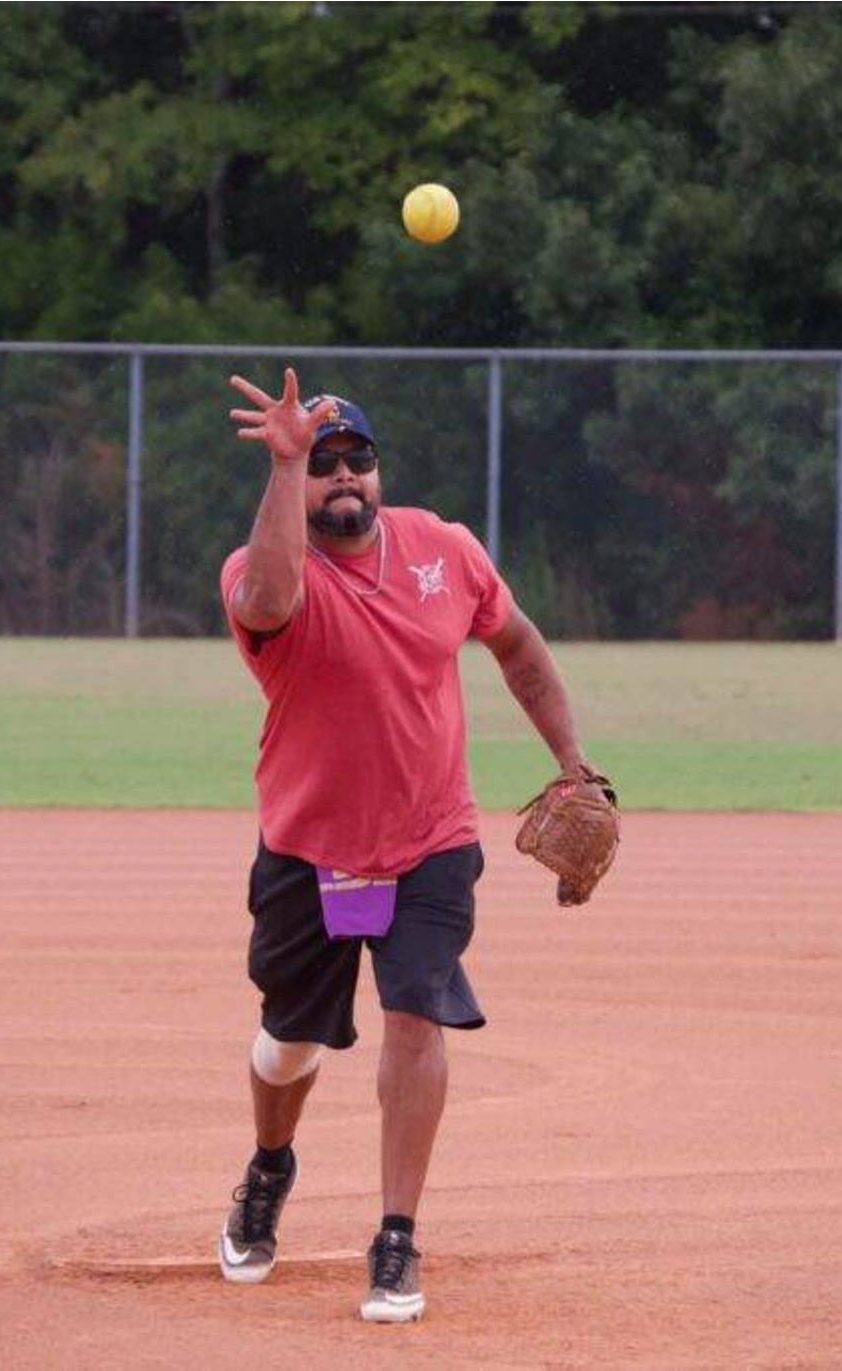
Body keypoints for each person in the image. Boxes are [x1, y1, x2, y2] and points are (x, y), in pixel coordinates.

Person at [216, 368, 593, 1324]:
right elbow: (268, 598)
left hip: (431, 838)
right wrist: (285, 464)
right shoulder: (262, 568)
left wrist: (572, 762)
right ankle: (270, 1165)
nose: (343, 474)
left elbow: (518, 644)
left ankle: (396, 1238)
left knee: (416, 1015)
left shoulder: (445, 549)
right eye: (324, 463)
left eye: (359, 458)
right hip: (309, 847)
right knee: (290, 1043)